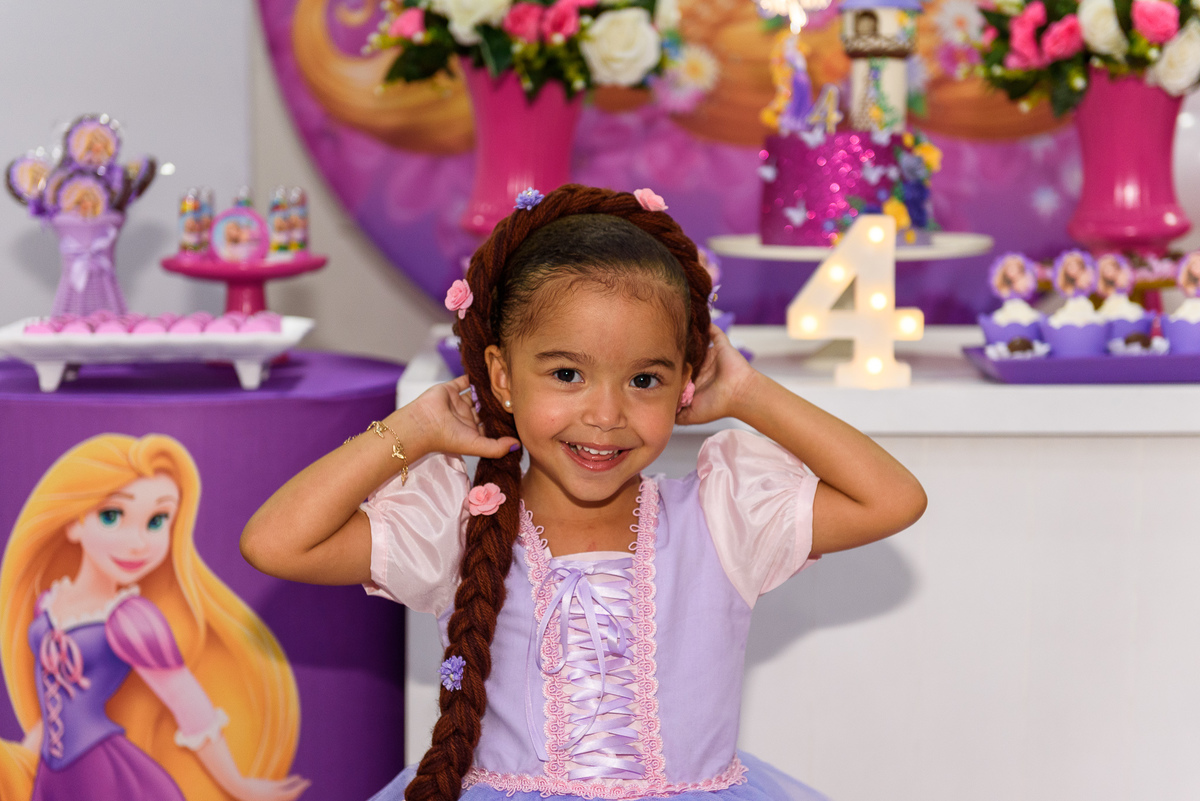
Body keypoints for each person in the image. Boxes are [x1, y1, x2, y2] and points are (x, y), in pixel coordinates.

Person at [241, 184, 927, 801]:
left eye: (645, 380)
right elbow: (276, 543)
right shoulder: (460, 525)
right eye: (568, 374)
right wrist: (410, 430)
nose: (606, 414)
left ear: (686, 382)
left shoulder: (721, 520)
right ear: (502, 377)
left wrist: (749, 392)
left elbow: (893, 499)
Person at [0, 434, 308, 801]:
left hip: (101, 777)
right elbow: (54, 715)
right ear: (74, 523)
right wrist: (23, 761)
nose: (138, 543)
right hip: (53, 777)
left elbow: (189, 704)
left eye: (157, 521)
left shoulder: (131, 620)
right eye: (112, 516)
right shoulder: (51, 602)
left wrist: (237, 785)